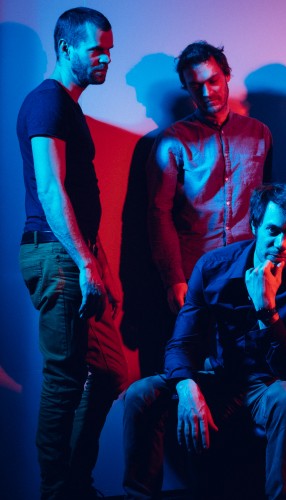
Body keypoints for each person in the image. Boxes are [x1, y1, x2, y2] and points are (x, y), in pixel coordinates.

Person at [123, 184, 286, 499]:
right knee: (141, 394)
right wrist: (187, 387)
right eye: (273, 231)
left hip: (274, 384)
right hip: (223, 377)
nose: (281, 244)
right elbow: (181, 343)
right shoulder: (213, 267)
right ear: (255, 226)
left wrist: (267, 310)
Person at [16, 7, 129, 498]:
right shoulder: (48, 102)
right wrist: (85, 263)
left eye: (109, 50)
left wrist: (100, 266)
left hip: (75, 257)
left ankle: (75, 483)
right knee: (64, 380)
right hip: (57, 256)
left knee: (111, 371)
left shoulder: (68, 105)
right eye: (96, 50)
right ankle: (57, 490)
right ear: (65, 48)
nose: (105, 58)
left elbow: (79, 200)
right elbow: (50, 188)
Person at [148, 41, 272, 317]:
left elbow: (267, 206)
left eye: (213, 81)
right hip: (196, 272)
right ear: (187, 88)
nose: (206, 92)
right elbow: (159, 213)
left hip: (249, 268)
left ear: (227, 75)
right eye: (196, 86)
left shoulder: (260, 134)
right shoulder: (172, 141)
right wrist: (173, 278)